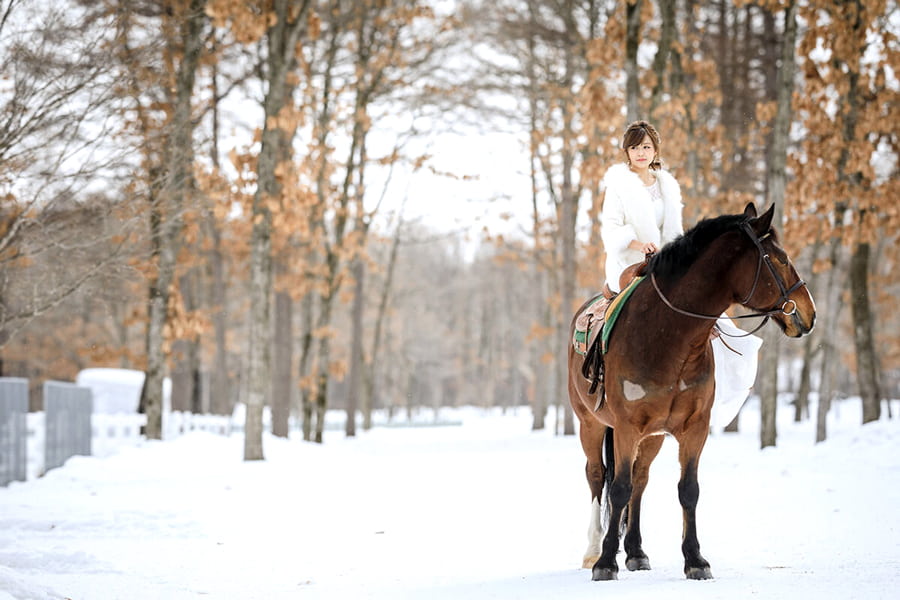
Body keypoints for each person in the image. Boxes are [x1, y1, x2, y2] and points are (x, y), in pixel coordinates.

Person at [599, 120, 760, 427]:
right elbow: (612, 229)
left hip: (668, 263)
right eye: (635, 147)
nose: (641, 152)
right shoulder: (618, 184)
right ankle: (614, 378)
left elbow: (675, 232)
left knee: (705, 312)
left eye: (646, 146)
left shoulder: (667, 185)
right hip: (631, 261)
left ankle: (708, 385)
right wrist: (638, 244)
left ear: (655, 149)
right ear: (627, 151)